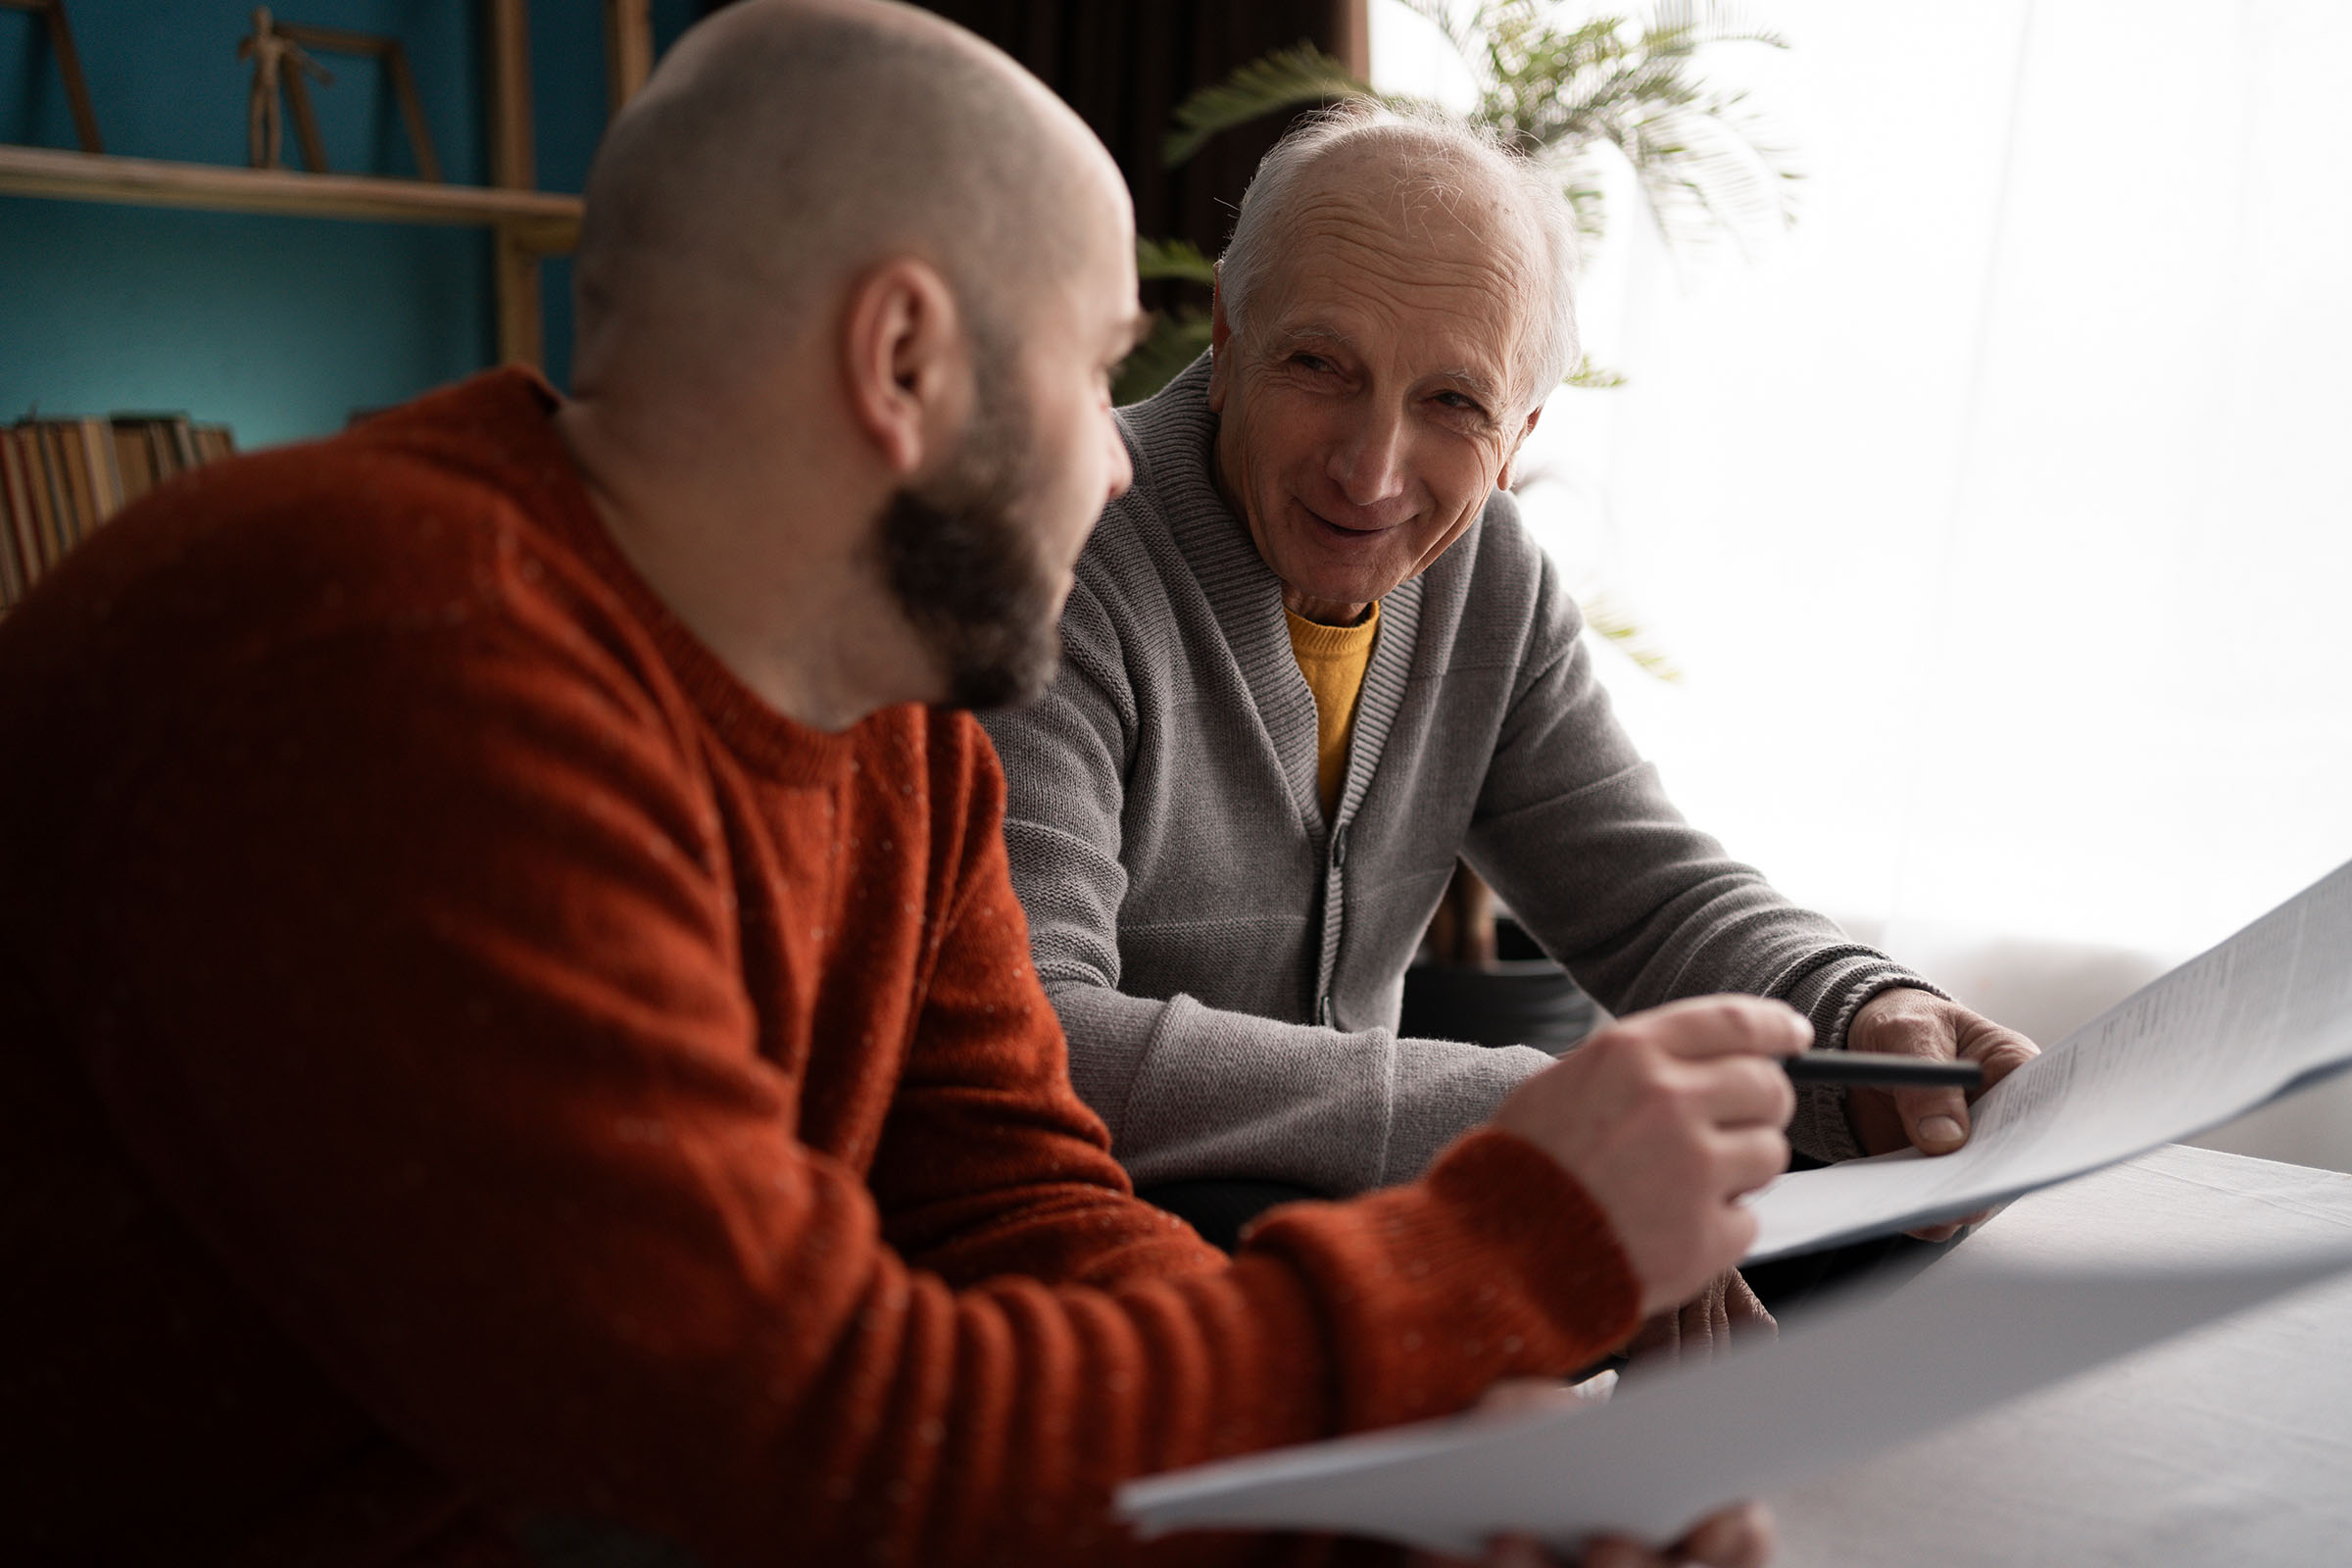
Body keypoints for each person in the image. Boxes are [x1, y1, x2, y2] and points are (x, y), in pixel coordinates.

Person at [1, 4, 1784, 1564]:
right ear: (905, 360)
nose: (1117, 465)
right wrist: (1490, 1260)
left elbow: (1017, 1206)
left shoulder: (896, 716)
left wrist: (1389, 1476)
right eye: (1099, 375)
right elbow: (812, 1432)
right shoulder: (390, 654)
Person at [978, 105, 2039, 1257]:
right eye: (1320, 365)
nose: (1371, 470)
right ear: (1232, 339)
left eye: (1452, 403)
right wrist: (1535, 1118)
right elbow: (1036, 1033)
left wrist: (1858, 1009)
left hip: (1369, 1235)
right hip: (1095, 1246)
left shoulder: (1488, 572)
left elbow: (1645, 893)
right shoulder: (1066, 553)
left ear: (1521, 428)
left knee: (1894, 1260)